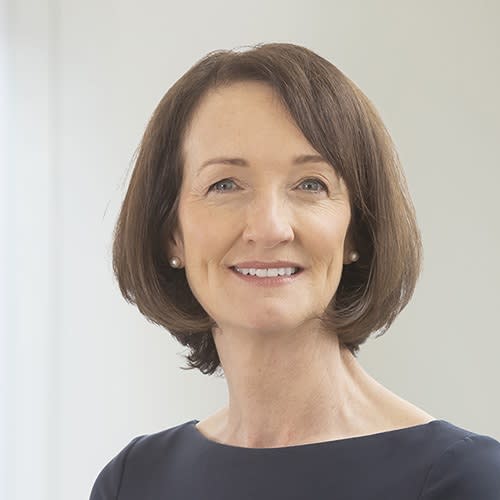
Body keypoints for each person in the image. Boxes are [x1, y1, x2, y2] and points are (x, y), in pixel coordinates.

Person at [90, 43, 500, 499]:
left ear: (355, 233)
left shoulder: (464, 480)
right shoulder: (133, 481)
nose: (270, 228)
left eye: (310, 184)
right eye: (224, 184)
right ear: (171, 234)